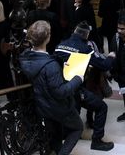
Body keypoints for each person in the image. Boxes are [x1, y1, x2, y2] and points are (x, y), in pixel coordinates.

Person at [19, 21, 84, 155]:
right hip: (59, 107)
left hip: (42, 105)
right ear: (47, 38)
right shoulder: (50, 66)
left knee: (55, 133)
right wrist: (78, 78)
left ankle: (57, 149)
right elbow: (61, 92)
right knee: (77, 128)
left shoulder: (25, 57)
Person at [55, 22, 116, 151]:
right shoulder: (85, 49)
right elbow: (104, 65)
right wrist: (111, 57)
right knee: (101, 107)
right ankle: (97, 141)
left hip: (59, 88)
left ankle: (67, 134)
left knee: (74, 110)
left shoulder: (60, 45)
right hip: (75, 88)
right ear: (86, 35)